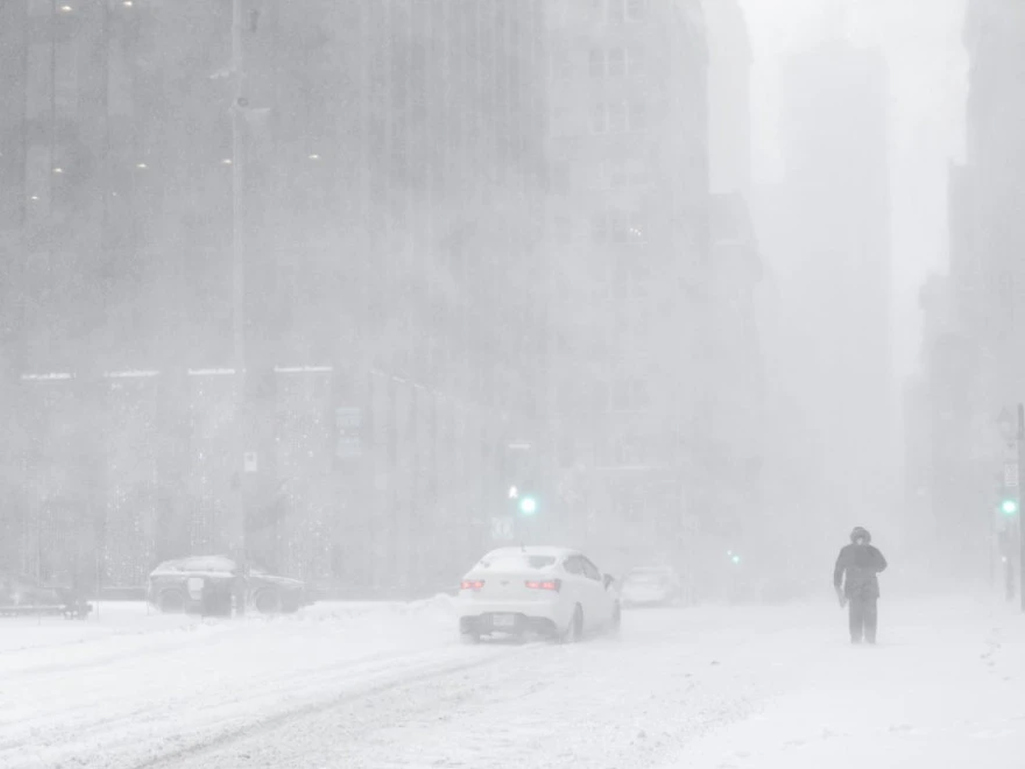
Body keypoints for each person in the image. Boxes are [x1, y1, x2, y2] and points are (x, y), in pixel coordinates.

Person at [833, 526, 887, 644]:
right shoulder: (873, 550)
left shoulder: (846, 550)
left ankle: (856, 639)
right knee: (870, 614)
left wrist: (838, 585)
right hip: (870, 588)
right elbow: (883, 565)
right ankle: (870, 639)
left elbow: (839, 570)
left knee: (855, 614)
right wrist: (871, 569)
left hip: (853, 588)